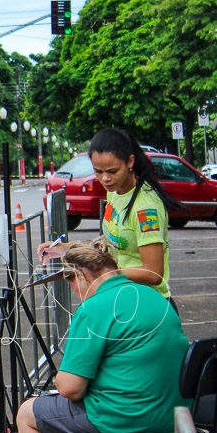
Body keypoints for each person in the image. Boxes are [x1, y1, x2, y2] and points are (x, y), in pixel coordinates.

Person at [16, 239, 189, 433]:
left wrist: (60, 376)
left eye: (72, 284)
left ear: (79, 276)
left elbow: (70, 387)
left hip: (131, 420)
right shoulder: (154, 296)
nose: (75, 292)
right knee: (92, 405)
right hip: (177, 422)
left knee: (27, 414)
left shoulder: (94, 307)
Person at [38, 128, 183, 308]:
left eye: (113, 171)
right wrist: (67, 248)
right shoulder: (116, 191)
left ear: (130, 161)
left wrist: (103, 273)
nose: (105, 178)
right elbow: (112, 242)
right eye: (98, 171)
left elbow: (154, 273)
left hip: (149, 306)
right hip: (123, 297)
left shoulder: (145, 208)